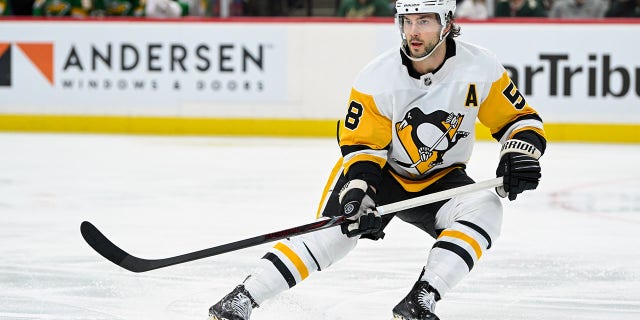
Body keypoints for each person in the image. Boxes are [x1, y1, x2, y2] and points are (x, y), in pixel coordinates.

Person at [208, 0, 546, 319]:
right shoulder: (378, 77)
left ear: (447, 24)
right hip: (382, 174)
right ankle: (242, 297)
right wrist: (359, 192)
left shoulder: (479, 66)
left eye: (424, 21)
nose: (413, 31)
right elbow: (363, 147)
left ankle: (421, 298)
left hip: (443, 178)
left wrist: (520, 153)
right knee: (333, 237)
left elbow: (519, 120)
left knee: (486, 207)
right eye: (407, 21)